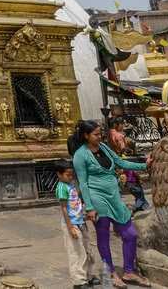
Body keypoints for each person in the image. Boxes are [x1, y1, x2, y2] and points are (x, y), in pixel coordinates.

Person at [70, 120, 150, 288]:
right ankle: (111, 272)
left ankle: (128, 271)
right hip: (97, 198)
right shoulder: (80, 155)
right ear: (86, 135)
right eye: (96, 134)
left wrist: (144, 165)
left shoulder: (105, 148)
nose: (100, 137)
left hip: (114, 196)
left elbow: (121, 162)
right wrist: (89, 207)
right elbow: (83, 183)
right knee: (104, 236)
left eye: (100, 134)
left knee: (130, 234)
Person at [54, 160, 98, 289]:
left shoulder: (71, 185)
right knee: (77, 253)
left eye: (71, 174)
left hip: (80, 221)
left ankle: (89, 275)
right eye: (68, 174)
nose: (70, 176)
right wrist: (70, 227)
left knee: (88, 250)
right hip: (71, 223)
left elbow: (76, 203)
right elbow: (64, 209)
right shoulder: (61, 187)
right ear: (59, 174)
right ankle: (79, 281)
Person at [108, 118, 149, 212]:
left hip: (116, 162)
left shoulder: (108, 134)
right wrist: (130, 148)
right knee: (133, 181)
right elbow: (123, 149)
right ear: (116, 125)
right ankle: (140, 204)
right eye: (122, 124)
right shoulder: (118, 135)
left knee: (126, 182)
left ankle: (141, 203)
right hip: (123, 160)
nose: (123, 126)